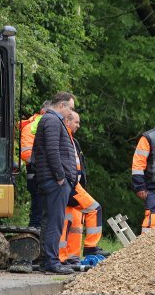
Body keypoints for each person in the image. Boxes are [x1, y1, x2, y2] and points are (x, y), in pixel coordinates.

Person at [32, 91, 78, 274]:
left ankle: (46, 260)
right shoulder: (52, 121)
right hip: (55, 181)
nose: (71, 113)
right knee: (54, 221)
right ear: (62, 105)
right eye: (71, 108)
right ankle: (52, 262)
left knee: (48, 220)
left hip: (50, 179)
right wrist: (60, 176)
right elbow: (52, 150)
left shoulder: (49, 120)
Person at [58, 110, 107, 263]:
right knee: (94, 208)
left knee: (70, 223)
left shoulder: (72, 140)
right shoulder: (64, 138)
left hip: (72, 184)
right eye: (76, 122)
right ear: (67, 122)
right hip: (70, 185)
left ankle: (69, 257)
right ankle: (91, 246)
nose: (78, 125)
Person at [19, 100, 51, 228]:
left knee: (41, 209)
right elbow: (26, 154)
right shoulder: (31, 128)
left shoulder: (39, 126)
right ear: (43, 112)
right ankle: (34, 236)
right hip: (36, 174)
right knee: (38, 210)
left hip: (40, 173)